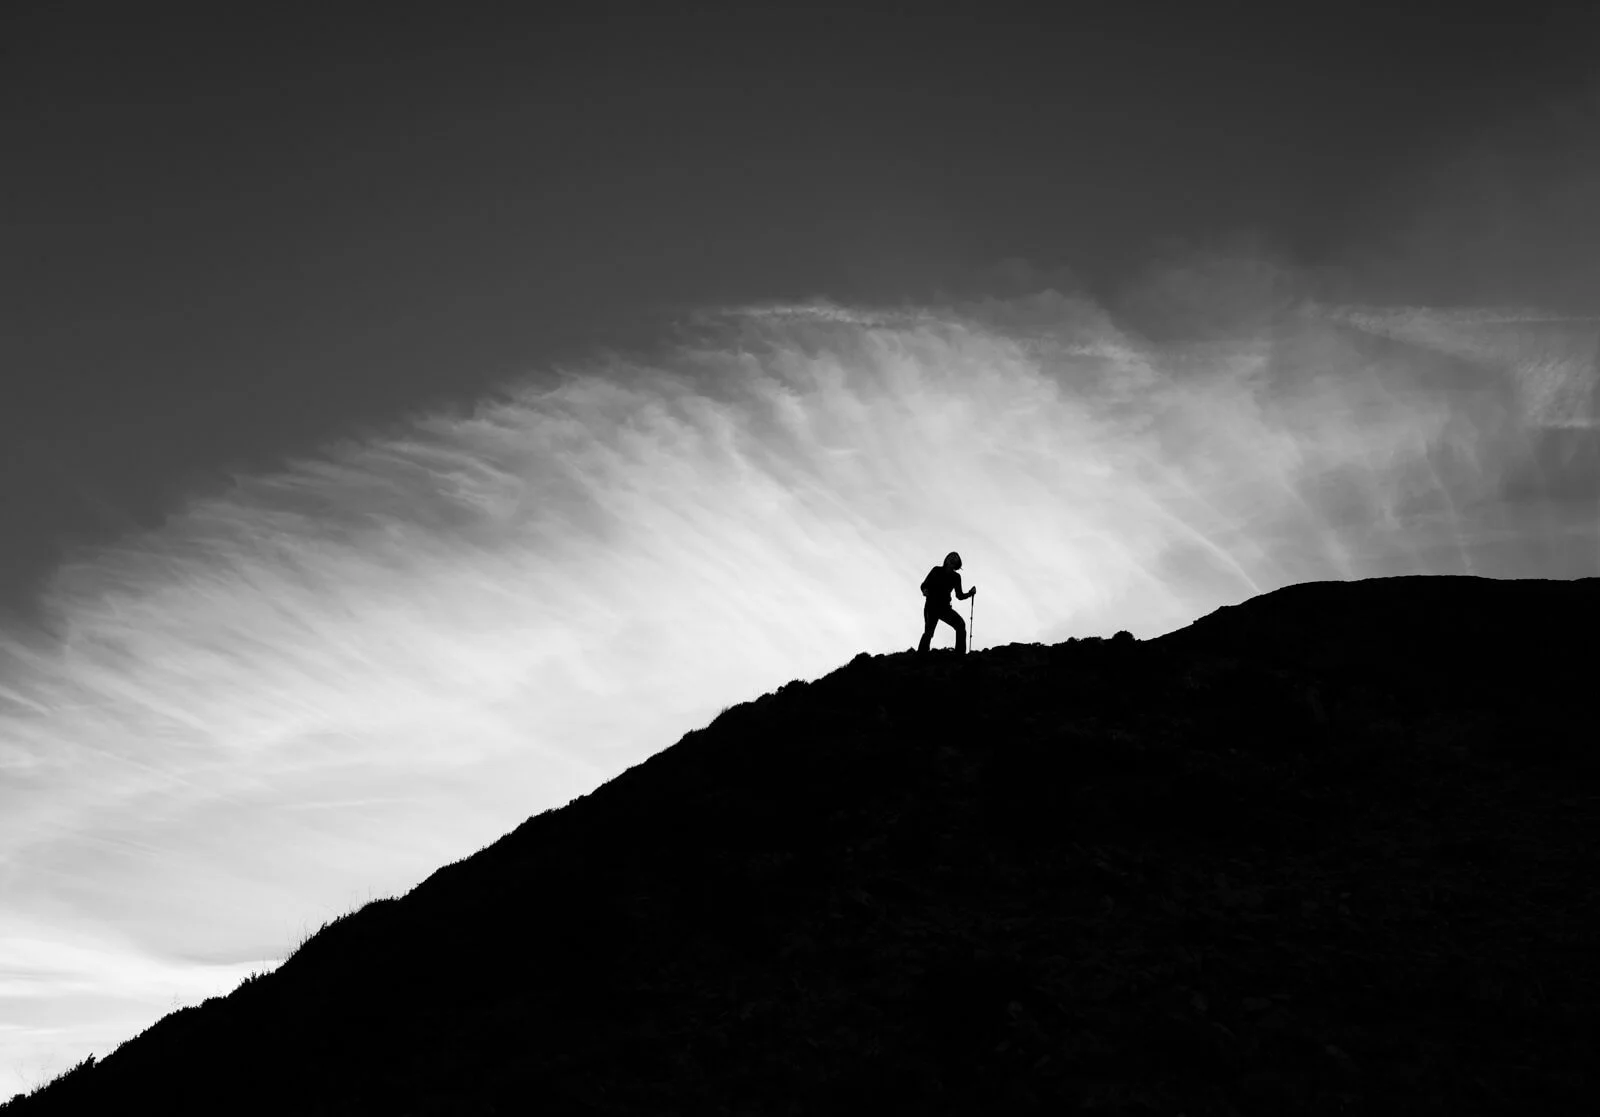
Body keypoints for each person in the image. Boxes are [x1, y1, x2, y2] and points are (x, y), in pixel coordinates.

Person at [918, 551, 976, 653]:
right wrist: (925, 590)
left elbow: (959, 595)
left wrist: (970, 593)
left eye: (955, 557)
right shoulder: (936, 570)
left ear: (957, 563)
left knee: (960, 625)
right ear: (946, 559)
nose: (953, 558)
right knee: (929, 632)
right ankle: (921, 655)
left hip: (944, 607)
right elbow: (924, 584)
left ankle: (960, 654)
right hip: (931, 605)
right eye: (951, 556)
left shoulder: (956, 577)